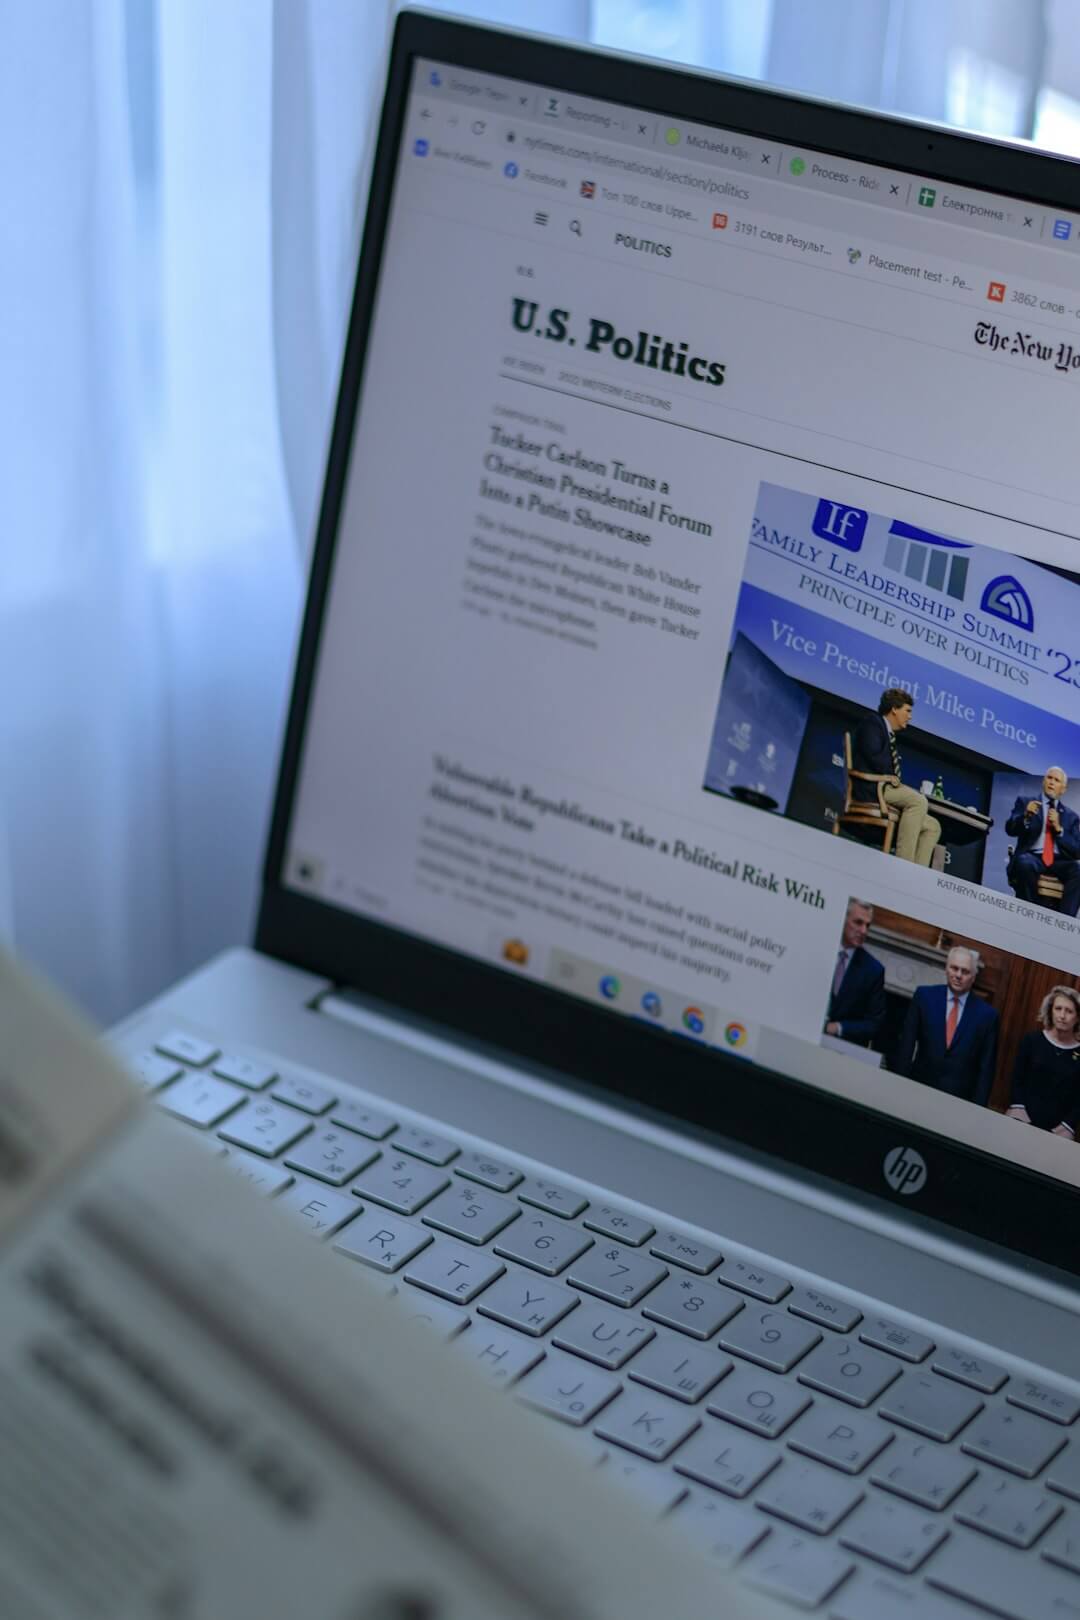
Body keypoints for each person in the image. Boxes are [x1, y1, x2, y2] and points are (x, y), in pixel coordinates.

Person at [893, 945, 998, 1106]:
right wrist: (897, 1086)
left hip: (959, 1101)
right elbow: (906, 1045)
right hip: (917, 1089)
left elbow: (986, 1071)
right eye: (954, 968)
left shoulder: (988, 1016)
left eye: (965, 971)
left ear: (973, 977)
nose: (958, 975)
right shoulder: (924, 997)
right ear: (946, 969)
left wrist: (977, 1112)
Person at [850, 689, 941, 867]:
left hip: (884, 788)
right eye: (907, 711)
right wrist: (891, 776)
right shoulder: (873, 723)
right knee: (918, 801)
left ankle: (916, 874)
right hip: (872, 789)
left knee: (933, 826)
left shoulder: (887, 732)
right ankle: (902, 866)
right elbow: (872, 754)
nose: (910, 717)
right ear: (894, 709)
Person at [1005, 985, 1080, 1137]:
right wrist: (1018, 1108)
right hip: (1021, 1119)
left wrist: (1067, 1126)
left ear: (1077, 1017)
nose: (1062, 1015)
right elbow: (1017, 1079)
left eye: (1069, 1011)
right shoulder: (1032, 1041)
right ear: (1050, 1011)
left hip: (1058, 1132)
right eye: (1058, 1008)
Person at [1005, 766, 1080, 917]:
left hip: (1059, 861)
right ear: (1043, 781)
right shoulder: (1025, 802)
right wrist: (1025, 817)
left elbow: (1077, 851)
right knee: (1024, 863)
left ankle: (1065, 922)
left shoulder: (1071, 817)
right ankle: (1033, 914)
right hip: (1032, 856)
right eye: (1049, 778)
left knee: (1079, 871)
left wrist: (1059, 829)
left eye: (1056, 780)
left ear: (1063, 789)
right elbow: (1010, 829)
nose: (1052, 782)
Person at [824, 898, 886, 1047]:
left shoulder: (874, 970)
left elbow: (873, 1024)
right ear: (843, 919)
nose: (864, 931)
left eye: (867, 925)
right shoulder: (820, 948)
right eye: (858, 922)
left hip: (842, 1047)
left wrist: (838, 1028)